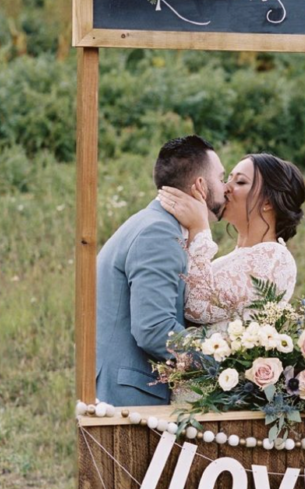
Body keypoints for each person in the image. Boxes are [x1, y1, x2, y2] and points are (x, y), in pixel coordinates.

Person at [96, 135, 227, 406]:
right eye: (221, 177)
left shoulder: (150, 223)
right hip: (128, 397)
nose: (225, 188)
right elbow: (154, 328)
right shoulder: (158, 233)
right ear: (201, 186)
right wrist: (225, 366)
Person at [157, 152, 305, 327]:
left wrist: (199, 228)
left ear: (268, 202)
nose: (225, 187)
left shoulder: (274, 257)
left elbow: (198, 308)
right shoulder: (240, 256)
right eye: (227, 179)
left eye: (240, 182)